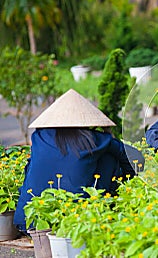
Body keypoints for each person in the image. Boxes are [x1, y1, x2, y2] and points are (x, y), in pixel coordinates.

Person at [14, 89, 144, 232]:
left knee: (33, 162)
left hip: (28, 222)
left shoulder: (39, 137)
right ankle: (107, 207)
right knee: (109, 157)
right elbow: (136, 158)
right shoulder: (96, 139)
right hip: (75, 222)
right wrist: (127, 179)